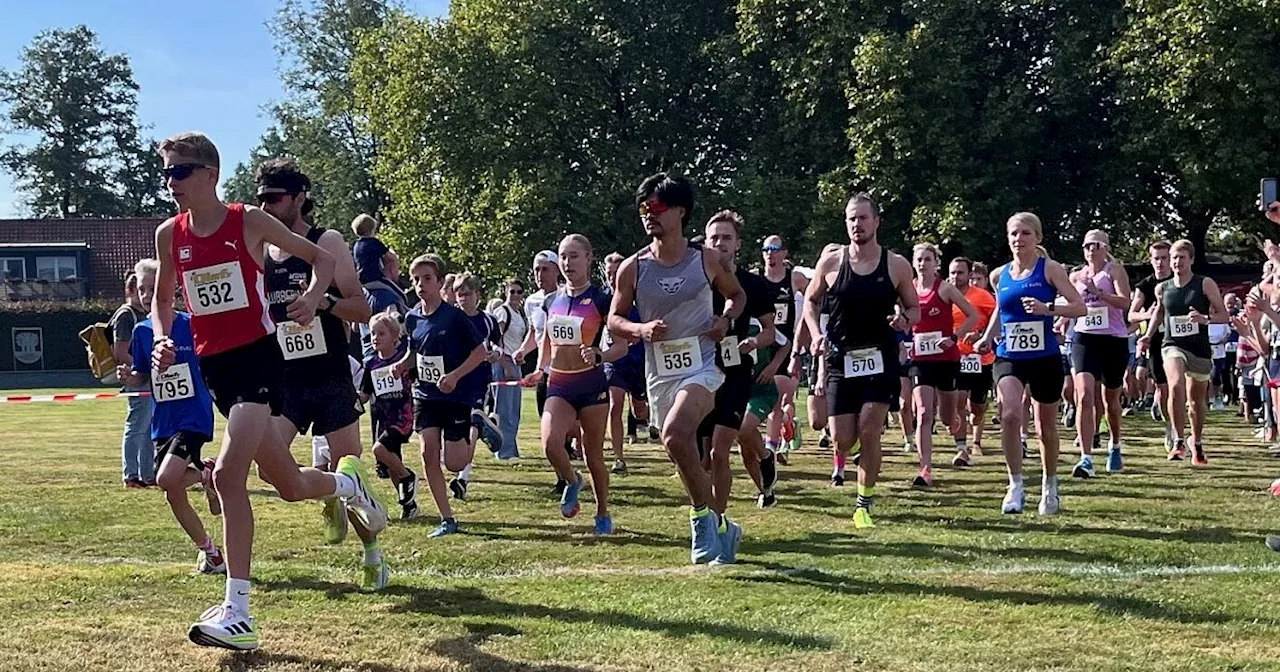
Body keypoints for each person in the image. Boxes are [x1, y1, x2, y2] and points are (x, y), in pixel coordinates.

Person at [151, 132, 384, 651]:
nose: (171, 182)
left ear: (210, 173)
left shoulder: (248, 222)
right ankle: (348, 487)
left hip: (259, 360)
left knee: (230, 475)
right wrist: (164, 335)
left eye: (180, 171)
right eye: (165, 172)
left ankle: (239, 611)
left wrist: (312, 299)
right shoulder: (170, 234)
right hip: (216, 370)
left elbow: (320, 259)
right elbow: (163, 298)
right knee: (290, 484)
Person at [256, 158, 389, 592]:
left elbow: (364, 309)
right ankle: (329, 487)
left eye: (274, 198)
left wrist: (323, 304)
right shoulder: (262, 250)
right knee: (267, 467)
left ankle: (373, 554)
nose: (267, 206)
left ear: (298, 198)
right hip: (285, 380)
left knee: (355, 473)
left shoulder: (324, 240)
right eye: (260, 199)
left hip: (330, 377)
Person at [608, 173, 746, 564]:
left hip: (701, 367)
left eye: (657, 206)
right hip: (660, 373)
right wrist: (640, 328)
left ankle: (700, 519)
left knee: (674, 433)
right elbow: (614, 320)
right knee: (677, 447)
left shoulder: (705, 259)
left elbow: (736, 296)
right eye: (644, 208)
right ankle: (721, 525)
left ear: (681, 211)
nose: (648, 214)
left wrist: (724, 321)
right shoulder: (633, 268)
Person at [803, 193, 919, 529]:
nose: (857, 224)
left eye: (863, 218)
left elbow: (914, 307)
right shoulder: (830, 263)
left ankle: (863, 503)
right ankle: (853, 453)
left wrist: (904, 321)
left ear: (877, 221)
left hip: (879, 358)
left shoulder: (895, 264)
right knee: (841, 437)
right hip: (841, 359)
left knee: (870, 427)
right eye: (852, 219)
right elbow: (810, 303)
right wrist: (815, 333)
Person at [973, 212, 1085, 516]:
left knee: (1044, 426)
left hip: (1044, 357)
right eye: (1013, 234)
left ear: (1037, 238)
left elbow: (1079, 306)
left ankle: (1050, 484)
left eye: (1025, 233)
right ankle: (1015, 484)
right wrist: (987, 337)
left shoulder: (1050, 270)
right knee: (1009, 414)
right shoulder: (1000, 275)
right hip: (1009, 355)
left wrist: (1046, 308)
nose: (1018, 240)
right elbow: (1000, 310)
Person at [118, 258, 222, 573]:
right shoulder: (141, 331)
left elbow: (212, 362)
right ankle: (211, 553)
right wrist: (129, 377)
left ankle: (206, 474)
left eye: (154, 288)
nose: (147, 295)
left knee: (164, 479)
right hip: (163, 420)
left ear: (172, 290)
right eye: (141, 289)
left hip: (194, 416)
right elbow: (141, 375)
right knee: (172, 492)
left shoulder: (191, 324)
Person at [523, 235, 628, 534]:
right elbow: (546, 339)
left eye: (574, 257)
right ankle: (572, 480)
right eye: (563, 257)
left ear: (588, 258)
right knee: (549, 443)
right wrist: (539, 370)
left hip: (591, 385)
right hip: (559, 383)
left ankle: (603, 512)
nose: (568, 263)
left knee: (593, 455)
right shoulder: (550, 300)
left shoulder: (601, 299)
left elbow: (621, 346)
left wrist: (600, 354)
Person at [392, 254, 490, 538]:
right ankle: (447, 518)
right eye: (415, 279)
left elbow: (480, 353)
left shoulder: (455, 316)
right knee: (427, 453)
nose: (421, 284)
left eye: (427, 279)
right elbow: (415, 353)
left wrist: (455, 376)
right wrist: (402, 365)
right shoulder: (411, 317)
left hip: (455, 395)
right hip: (425, 394)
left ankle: (477, 427)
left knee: (455, 463)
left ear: (439, 282)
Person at [699, 212, 777, 527]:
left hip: (734, 371)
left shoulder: (753, 285)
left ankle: (717, 521)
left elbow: (771, 332)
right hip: (699, 371)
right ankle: (707, 512)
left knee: (719, 453)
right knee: (701, 460)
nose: (719, 244)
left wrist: (755, 342)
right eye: (714, 238)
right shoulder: (696, 280)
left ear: (738, 244)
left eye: (726, 238)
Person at [1139, 239, 1227, 464]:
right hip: (1172, 345)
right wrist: (1148, 336)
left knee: (1196, 402)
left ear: (1191, 260)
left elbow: (1224, 315)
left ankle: (1196, 442)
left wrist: (1205, 319)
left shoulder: (1204, 284)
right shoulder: (1162, 288)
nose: (1177, 262)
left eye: (1181, 257)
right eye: (1174, 257)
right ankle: (1178, 440)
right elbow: (1159, 313)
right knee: (1175, 384)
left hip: (1199, 349)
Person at [907, 243, 977, 487]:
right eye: (919, 259)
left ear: (935, 262)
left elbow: (973, 315)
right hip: (919, 360)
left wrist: (955, 337)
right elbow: (903, 316)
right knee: (924, 412)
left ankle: (955, 421)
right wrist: (899, 321)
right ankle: (925, 469)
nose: (922, 264)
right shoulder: (908, 289)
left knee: (947, 417)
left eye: (927, 259)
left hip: (946, 359)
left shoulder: (945, 289)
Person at [1068, 230, 1132, 477]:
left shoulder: (1114, 271)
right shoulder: (1076, 276)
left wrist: (1099, 293)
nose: (1090, 250)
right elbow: (1073, 305)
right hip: (1084, 338)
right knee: (1083, 395)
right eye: (1086, 246)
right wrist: (1058, 318)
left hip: (1113, 339)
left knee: (1110, 400)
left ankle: (1115, 444)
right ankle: (1085, 458)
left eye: (1095, 245)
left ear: (1105, 247)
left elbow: (1125, 303)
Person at [359, 311, 419, 520]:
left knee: (379, 450)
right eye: (372, 334)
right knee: (393, 465)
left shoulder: (404, 360)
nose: (375, 338)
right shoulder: (371, 364)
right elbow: (365, 395)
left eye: (381, 334)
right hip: (381, 419)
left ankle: (408, 476)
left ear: (395, 336)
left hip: (401, 417)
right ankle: (408, 504)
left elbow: (417, 380)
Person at [452, 272, 507, 497]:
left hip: (478, 380)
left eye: (468, 294)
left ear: (478, 295)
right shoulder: (452, 318)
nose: (463, 298)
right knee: (460, 429)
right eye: (460, 294)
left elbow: (498, 344)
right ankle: (491, 424)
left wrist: (496, 353)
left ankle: (462, 478)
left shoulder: (487, 320)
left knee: (473, 422)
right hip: (455, 381)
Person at [602, 252, 650, 474]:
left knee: (640, 411)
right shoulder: (602, 299)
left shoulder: (639, 298)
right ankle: (619, 458)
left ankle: (657, 429)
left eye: (616, 273)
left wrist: (637, 334)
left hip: (639, 361)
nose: (612, 278)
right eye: (609, 273)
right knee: (615, 404)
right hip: (615, 360)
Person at [948, 257, 997, 466]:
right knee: (958, 400)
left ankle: (976, 421)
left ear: (969, 275)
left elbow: (999, 319)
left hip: (980, 359)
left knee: (977, 408)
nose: (955, 277)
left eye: (960, 272)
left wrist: (981, 335)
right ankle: (962, 449)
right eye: (952, 272)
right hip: (954, 356)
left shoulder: (983, 297)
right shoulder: (944, 295)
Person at [111, 270, 155, 488]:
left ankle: (148, 473)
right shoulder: (126, 315)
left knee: (148, 427)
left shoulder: (145, 315)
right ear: (131, 291)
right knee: (136, 425)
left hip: (148, 375)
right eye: (141, 290)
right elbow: (120, 351)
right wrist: (143, 369)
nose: (146, 295)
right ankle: (131, 474)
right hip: (136, 377)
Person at [1130, 240, 1175, 443]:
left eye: (1164, 258)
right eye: (1156, 258)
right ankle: (1169, 425)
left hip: (1179, 339)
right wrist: (1147, 316)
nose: (1161, 263)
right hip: (1155, 341)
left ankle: (1177, 427)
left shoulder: (1180, 281)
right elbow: (1131, 315)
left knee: (1178, 386)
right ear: (1151, 259)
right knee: (1163, 387)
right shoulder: (1145, 286)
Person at [760, 235, 800, 459]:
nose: (769, 253)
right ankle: (786, 422)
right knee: (770, 400)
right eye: (765, 249)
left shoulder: (794, 279)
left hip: (786, 349)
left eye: (774, 248)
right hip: (764, 347)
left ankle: (772, 449)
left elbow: (818, 296)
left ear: (784, 253)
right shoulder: (757, 279)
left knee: (777, 400)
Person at [489, 278, 528, 461]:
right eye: (512, 291)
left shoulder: (517, 313)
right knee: (504, 409)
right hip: (503, 363)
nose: (515, 295)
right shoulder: (503, 312)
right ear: (506, 292)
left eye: (519, 292)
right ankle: (504, 451)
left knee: (514, 409)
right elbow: (495, 339)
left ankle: (511, 447)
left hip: (514, 362)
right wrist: (504, 364)